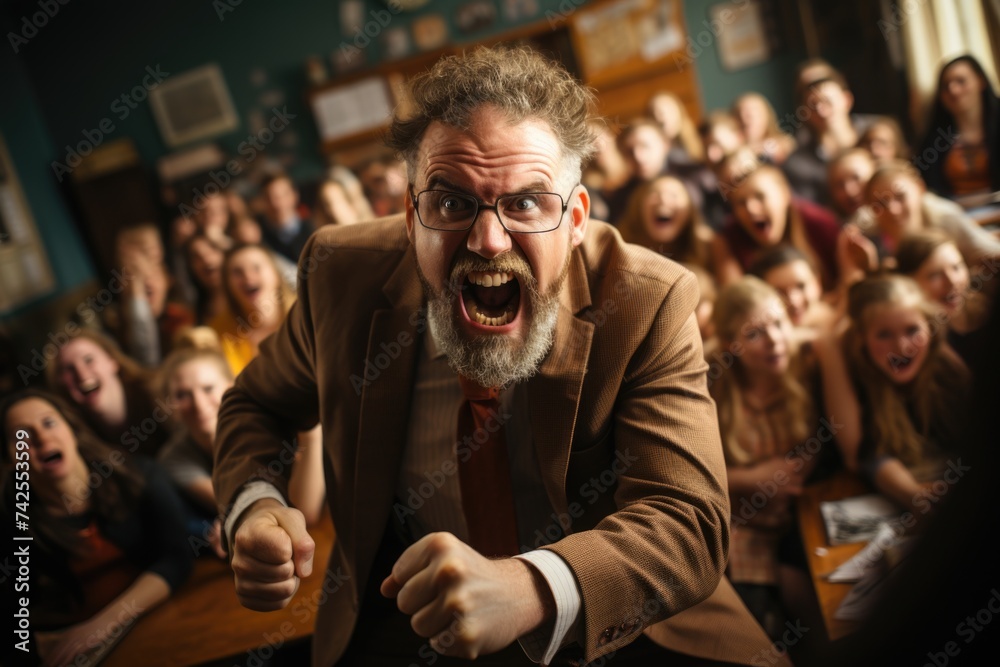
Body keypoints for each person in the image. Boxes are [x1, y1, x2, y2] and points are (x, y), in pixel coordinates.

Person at [213, 45, 780, 667]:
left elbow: (687, 522)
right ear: (411, 214)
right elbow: (254, 404)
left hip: (616, 635)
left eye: (526, 202)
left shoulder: (647, 301)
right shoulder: (337, 276)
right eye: (451, 202)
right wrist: (255, 504)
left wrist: (534, 586)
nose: (487, 241)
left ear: (577, 218)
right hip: (405, 633)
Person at [0, 390, 192, 666]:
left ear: (72, 430)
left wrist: (99, 627)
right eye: (21, 436)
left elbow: (177, 559)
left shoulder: (140, 476)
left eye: (49, 423)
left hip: (161, 623)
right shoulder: (13, 523)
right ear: (8, 460)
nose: (41, 438)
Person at [709, 278, 817, 641]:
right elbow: (685, 473)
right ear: (730, 345)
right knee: (759, 634)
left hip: (796, 521)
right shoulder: (717, 386)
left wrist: (795, 474)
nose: (774, 340)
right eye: (755, 333)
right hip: (742, 532)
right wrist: (752, 478)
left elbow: (829, 437)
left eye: (778, 323)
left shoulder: (804, 365)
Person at [816, 276, 969, 495]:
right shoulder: (859, 374)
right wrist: (914, 497)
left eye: (912, 330)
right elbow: (859, 455)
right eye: (884, 335)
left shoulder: (945, 367)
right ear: (862, 339)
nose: (902, 347)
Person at [713, 163, 842, 290]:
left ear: (785, 195)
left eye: (760, 196)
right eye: (741, 202)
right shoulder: (728, 239)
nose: (750, 209)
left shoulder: (821, 223)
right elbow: (736, 299)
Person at [48, 330, 172, 458]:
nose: (82, 374)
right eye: (69, 368)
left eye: (88, 359)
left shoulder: (162, 395)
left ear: (112, 361)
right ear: (61, 384)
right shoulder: (77, 441)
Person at [895, 230, 989, 364]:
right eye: (935, 275)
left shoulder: (987, 310)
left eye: (956, 267)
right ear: (909, 284)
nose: (952, 281)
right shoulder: (915, 342)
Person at [783, 70, 874, 206]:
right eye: (813, 105)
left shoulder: (877, 136)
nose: (821, 110)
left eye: (827, 101)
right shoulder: (798, 164)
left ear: (847, 100)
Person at [917, 55, 1000, 199]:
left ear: (981, 81)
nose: (953, 90)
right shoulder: (933, 139)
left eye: (961, 81)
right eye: (945, 85)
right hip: (955, 216)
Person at [210, 243, 296, 376]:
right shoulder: (218, 333)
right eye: (237, 272)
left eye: (256, 267)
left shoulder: (306, 315)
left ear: (276, 274)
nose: (248, 277)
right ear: (228, 286)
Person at [618, 174, 714, 272]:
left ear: (690, 210)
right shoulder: (617, 244)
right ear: (639, 207)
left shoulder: (709, 247)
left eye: (673, 195)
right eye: (654, 194)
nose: (663, 200)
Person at [748, 244, 836, 334]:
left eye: (801, 286)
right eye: (778, 292)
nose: (793, 301)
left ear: (817, 283)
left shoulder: (843, 326)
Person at [256, 173, 314, 263]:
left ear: (294, 195)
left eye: (282, 196)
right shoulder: (258, 236)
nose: (276, 204)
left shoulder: (315, 228)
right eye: (269, 198)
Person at [732, 92, 796, 165]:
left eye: (751, 113)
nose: (745, 120)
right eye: (738, 114)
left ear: (766, 115)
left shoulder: (787, 146)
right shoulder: (732, 154)